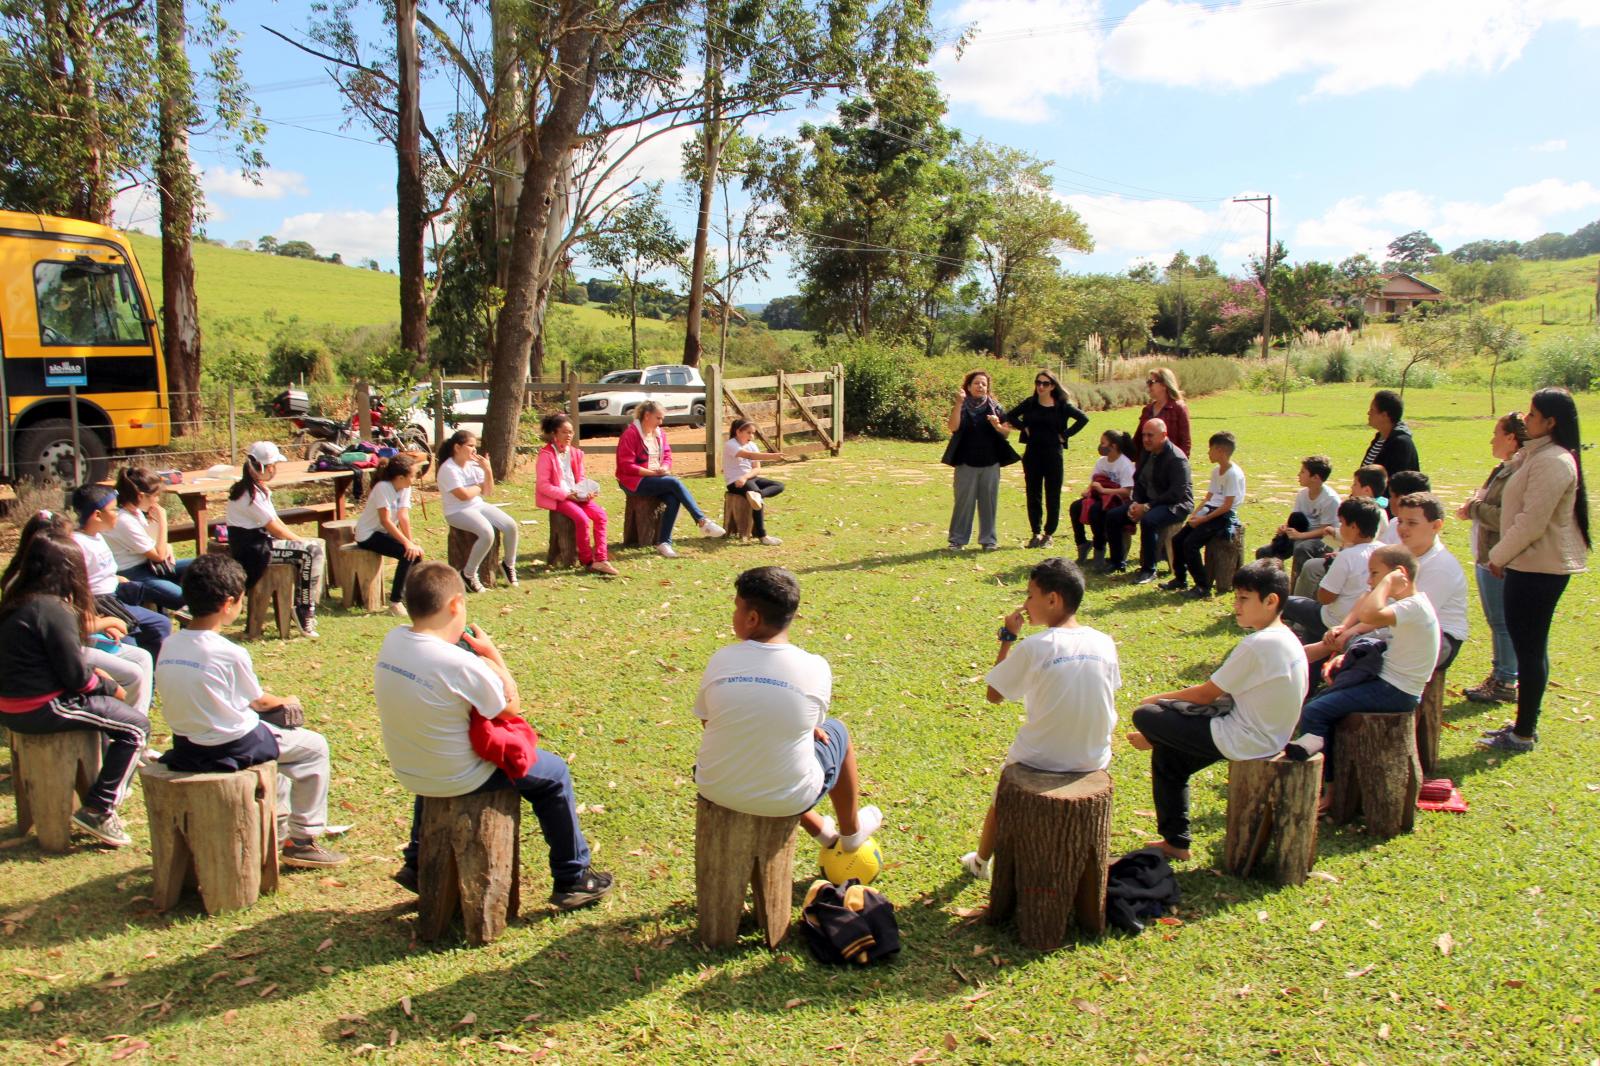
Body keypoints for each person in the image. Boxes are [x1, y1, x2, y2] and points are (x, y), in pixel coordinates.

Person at [375, 562, 614, 908]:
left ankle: (416, 860)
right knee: (555, 775)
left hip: (412, 769)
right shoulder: (459, 664)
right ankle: (573, 876)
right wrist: (492, 655)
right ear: (456, 604)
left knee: (437, 746)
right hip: (460, 775)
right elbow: (510, 706)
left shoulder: (394, 639)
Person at [155, 554, 348, 867]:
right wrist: (287, 699)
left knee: (279, 746)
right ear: (229, 603)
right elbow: (259, 702)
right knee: (313, 748)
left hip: (186, 745)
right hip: (230, 744)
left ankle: (280, 823)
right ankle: (303, 839)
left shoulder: (170, 644)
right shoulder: (229, 652)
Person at [694, 566, 883, 857]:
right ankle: (851, 833)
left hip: (714, 785)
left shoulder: (722, 658)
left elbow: (709, 722)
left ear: (752, 618)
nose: (733, 616)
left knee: (762, 746)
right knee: (836, 734)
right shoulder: (816, 666)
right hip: (787, 797)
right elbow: (809, 727)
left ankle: (825, 830)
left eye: (736, 608)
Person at [1127, 560, 1307, 861]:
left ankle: (1155, 737)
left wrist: (1153, 700)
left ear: (1271, 600)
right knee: (1170, 758)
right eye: (1236, 597)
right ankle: (1176, 843)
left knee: (1145, 716)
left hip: (1246, 738)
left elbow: (1207, 694)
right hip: (1264, 734)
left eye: (1244, 599)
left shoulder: (1259, 644)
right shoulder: (1285, 636)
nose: (1236, 606)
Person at [959, 558, 1118, 879]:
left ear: (1053, 599)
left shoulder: (1036, 645)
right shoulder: (1104, 641)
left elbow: (994, 693)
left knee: (1000, 799)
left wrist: (1007, 636)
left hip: (1039, 759)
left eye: (1030, 595)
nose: (1025, 604)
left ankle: (981, 861)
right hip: (1094, 758)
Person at [0, 532, 149, 848]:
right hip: (42, 706)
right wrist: (108, 687)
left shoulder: (17, 600)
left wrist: (96, 680)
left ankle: (98, 794)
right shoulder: (55, 610)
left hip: (13, 705)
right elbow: (78, 680)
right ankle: (100, 808)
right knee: (136, 727)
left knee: (114, 718)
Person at [1480, 388, 1590, 754]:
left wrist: (1498, 555)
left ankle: (1523, 732)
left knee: (1529, 648)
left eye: (1532, 414)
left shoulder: (1554, 461)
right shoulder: (1537, 456)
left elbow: (1531, 522)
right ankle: (1523, 725)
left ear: (1550, 421)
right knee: (1530, 645)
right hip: (1527, 563)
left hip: (1538, 568)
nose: (1525, 420)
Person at [1288, 546, 1439, 767]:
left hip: (1396, 691)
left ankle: (1326, 783)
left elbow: (1370, 612)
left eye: (1374, 574)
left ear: (1398, 572)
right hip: (1388, 683)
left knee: (1315, 710)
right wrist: (1346, 627)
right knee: (1320, 701)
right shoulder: (1410, 605)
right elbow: (1366, 603)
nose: (1369, 581)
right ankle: (1321, 761)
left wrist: (1387, 583)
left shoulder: (1413, 607)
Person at [2, 510, 154, 720]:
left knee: (142, 657)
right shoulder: (33, 586)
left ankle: (135, 724)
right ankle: (127, 724)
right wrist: (104, 623)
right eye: (69, 538)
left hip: (70, 642)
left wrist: (100, 623)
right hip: (54, 652)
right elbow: (60, 633)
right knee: (132, 673)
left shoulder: (49, 577)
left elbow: (72, 619)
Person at [225, 442, 327, 638]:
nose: (275, 470)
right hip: (254, 551)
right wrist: (301, 542)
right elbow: (275, 528)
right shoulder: (251, 494)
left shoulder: (255, 488)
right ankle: (304, 610)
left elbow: (275, 521)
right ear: (263, 467)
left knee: (311, 547)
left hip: (259, 544)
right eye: (273, 466)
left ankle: (303, 605)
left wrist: (300, 540)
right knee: (312, 552)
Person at [1459, 413, 1527, 705]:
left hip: (1499, 557)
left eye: (1496, 433)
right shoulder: (1506, 468)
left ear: (1511, 438)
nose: (1491, 439)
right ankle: (1501, 675)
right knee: (1497, 621)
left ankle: (1505, 680)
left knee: (1502, 622)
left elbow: (1505, 517)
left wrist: (1474, 508)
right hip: (1488, 554)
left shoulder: (1518, 471)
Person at [615, 401, 725, 559]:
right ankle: (702, 521)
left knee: (673, 499)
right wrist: (652, 473)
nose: (661, 422)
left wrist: (665, 468)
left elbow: (667, 455)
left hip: (656, 478)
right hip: (634, 481)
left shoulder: (660, 434)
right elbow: (626, 465)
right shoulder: (631, 434)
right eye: (658, 418)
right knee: (673, 483)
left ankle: (664, 542)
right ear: (647, 416)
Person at [70, 484, 171, 654]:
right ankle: (137, 670)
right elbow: (76, 585)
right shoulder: (78, 545)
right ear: (98, 515)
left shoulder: (97, 536)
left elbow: (97, 571)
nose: (118, 513)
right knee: (129, 642)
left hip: (116, 596)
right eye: (114, 509)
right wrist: (98, 621)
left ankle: (153, 672)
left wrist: (115, 578)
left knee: (161, 624)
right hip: (99, 603)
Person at [1005, 369, 1089, 548]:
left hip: (1053, 453)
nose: (1041, 386)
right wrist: (1023, 428)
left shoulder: (1062, 405)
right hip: (1033, 453)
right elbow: (1010, 415)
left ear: (1053, 386)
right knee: (1033, 493)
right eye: (1038, 383)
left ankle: (1049, 533)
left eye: (1045, 383)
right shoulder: (1030, 403)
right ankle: (1035, 532)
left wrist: (1065, 435)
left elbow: (1083, 418)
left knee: (1053, 493)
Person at [1281, 498, 1382, 644]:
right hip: (1364, 624)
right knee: (1312, 624)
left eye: (1342, 523)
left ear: (1353, 527)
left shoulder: (1347, 556)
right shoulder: (1384, 552)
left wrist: (1329, 570)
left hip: (1335, 621)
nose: (1339, 528)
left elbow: (1325, 598)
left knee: (1285, 603)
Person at [942, 370, 1020, 551]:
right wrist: (958, 402)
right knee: (964, 502)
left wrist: (997, 425)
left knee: (989, 502)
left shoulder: (996, 408)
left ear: (988, 388)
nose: (980, 386)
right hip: (965, 462)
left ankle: (989, 541)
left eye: (984, 384)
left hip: (990, 463)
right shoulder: (961, 406)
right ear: (968, 387)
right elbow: (953, 427)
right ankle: (957, 540)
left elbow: (1006, 433)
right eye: (976, 383)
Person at [1107, 418, 1192, 581]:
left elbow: (1176, 493)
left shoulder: (1176, 458)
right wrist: (1136, 503)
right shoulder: (1147, 452)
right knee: (1113, 516)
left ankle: (1148, 569)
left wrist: (1146, 507)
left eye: (1150, 435)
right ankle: (1117, 561)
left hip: (1175, 505)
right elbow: (1139, 480)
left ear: (1163, 435)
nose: (1145, 439)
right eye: (1144, 435)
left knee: (1149, 521)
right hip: (1149, 501)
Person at [436, 430, 520, 590]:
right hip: (456, 511)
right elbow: (463, 495)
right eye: (470, 446)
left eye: (475, 446)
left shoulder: (474, 464)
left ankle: (508, 565)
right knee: (487, 533)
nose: (474, 450)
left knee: (510, 526)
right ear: (457, 447)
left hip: (477, 505)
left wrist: (488, 470)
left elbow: (488, 492)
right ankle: (468, 574)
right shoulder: (448, 469)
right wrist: (479, 486)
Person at [1165, 431, 1245, 598]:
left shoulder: (1233, 474)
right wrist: (1195, 515)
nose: (1208, 453)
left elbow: (1227, 505)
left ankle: (1202, 586)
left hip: (1222, 516)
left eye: (1211, 449)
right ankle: (1180, 579)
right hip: (1209, 511)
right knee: (1177, 539)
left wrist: (1203, 519)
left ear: (1221, 450)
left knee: (1190, 544)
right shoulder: (1217, 471)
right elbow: (1209, 497)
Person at [536, 413, 618, 576]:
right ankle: (587, 560)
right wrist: (566, 495)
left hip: (576, 495)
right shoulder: (546, 455)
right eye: (565, 432)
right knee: (581, 519)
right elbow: (543, 485)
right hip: (559, 498)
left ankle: (601, 558)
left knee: (600, 515)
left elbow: (579, 477)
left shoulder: (575, 453)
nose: (569, 436)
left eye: (571, 432)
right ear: (554, 434)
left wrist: (586, 492)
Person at [1292, 464, 1389, 598]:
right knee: (1306, 553)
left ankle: (1298, 605)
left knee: (1311, 567)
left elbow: (1365, 540)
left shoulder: (1375, 513)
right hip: (1344, 551)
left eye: (1355, 484)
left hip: (1358, 561)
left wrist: (1339, 552)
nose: (1351, 488)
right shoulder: (1363, 508)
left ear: (1366, 490)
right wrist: (1335, 533)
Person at [104, 466, 191, 613]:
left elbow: (155, 544)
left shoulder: (135, 512)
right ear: (140, 495)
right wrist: (163, 520)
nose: (157, 500)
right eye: (155, 495)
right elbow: (158, 556)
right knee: (186, 600)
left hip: (148, 565)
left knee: (200, 566)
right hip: (133, 572)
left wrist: (167, 545)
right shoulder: (124, 520)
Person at [354, 453, 426, 616]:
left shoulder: (405, 488)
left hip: (384, 532)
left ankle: (412, 597)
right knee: (406, 554)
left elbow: (403, 516)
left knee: (415, 555)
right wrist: (406, 544)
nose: (414, 479)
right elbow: (385, 520)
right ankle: (395, 602)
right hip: (368, 535)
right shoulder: (383, 487)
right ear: (400, 477)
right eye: (413, 476)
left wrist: (411, 542)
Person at [1254, 455, 1339, 579]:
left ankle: (1295, 590)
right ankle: (1271, 585)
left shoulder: (1330, 499)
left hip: (1323, 540)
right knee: (1264, 552)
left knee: (1302, 548)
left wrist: (1301, 536)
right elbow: (1296, 519)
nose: (1298, 474)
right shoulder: (1302, 494)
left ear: (1315, 477)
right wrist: (1285, 528)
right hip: (1300, 534)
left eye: (1303, 472)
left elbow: (1325, 530)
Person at [1071, 430, 1135, 566]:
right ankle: (1082, 544)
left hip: (1118, 500)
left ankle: (1099, 549)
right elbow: (1094, 480)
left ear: (1114, 446)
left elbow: (1127, 491)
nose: (1100, 446)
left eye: (1103, 443)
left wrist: (1104, 490)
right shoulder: (1101, 462)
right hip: (1101, 497)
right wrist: (1088, 491)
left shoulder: (1125, 464)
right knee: (1075, 507)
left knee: (1095, 511)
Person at [722, 418, 786, 546]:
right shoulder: (731, 444)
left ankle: (758, 496)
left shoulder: (752, 445)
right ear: (738, 432)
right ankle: (763, 536)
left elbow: (757, 469)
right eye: (749, 432)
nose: (751, 436)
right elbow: (750, 456)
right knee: (755, 493)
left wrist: (746, 477)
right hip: (735, 482)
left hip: (749, 479)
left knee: (779, 485)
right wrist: (772, 456)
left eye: (753, 433)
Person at [1134, 367, 1190, 462]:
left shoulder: (1178, 408)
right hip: (1147, 464)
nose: (1149, 385)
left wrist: (1180, 466)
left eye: (1151, 382)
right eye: (1148, 382)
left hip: (1169, 463)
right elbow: (1138, 440)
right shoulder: (1147, 410)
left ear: (1164, 385)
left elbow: (1185, 442)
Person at [1361, 389, 1420, 476]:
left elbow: (1395, 479)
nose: (1368, 413)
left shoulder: (1401, 443)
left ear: (1385, 415)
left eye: (1372, 410)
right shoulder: (1379, 438)